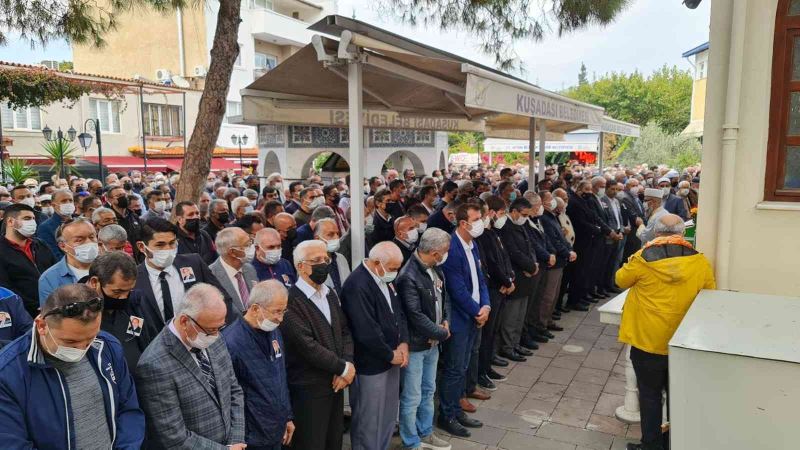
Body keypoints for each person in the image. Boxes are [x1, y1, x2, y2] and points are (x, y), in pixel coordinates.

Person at [0, 283, 145, 449]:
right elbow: (12, 444)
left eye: (90, 338)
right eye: (71, 341)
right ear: (42, 326)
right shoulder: (8, 373)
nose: (82, 349)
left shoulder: (106, 346)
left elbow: (128, 409)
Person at [616, 214, 716, 450]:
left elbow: (621, 279)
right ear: (682, 233)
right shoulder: (699, 261)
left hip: (647, 340)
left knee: (649, 396)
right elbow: (711, 292)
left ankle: (651, 445)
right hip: (682, 341)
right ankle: (674, 442)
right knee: (677, 397)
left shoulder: (643, 258)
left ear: (657, 233)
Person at [136, 283, 246, 450]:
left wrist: (235, 440)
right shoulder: (154, 365)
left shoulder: (212, 335)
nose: (216, 335)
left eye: (220, 328)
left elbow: (234, 390)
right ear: (184, 321)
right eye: (210, 330)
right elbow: (174, 438)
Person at [280, 240, 354, 450]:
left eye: (326, 259)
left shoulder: (330, 293)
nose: (324, 264)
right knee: (311, 442)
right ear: (300, 266)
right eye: (316, 260)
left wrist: (347, 364)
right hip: (309, 389)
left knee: (334, 441)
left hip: (336, 383)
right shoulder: (291, 301)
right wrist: (344, 368)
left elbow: (344, 331)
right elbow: (307, 346)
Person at [341, 242, 409, 450]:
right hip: (371, 364)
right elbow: (366, 330)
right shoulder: (357, 284)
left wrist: (404, 342)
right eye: (393, 269)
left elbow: (398, 312)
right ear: (377, 263)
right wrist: (389, 354)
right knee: (368, 420)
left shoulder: (384, 277)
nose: (395, 273)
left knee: (387, 414)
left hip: (392, 358)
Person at [396, 228, 453, 450]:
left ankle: (425, 431)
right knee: (412, 395)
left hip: (433, 343)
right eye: (445, 251)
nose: (446, 254)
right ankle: (410, 440)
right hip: (417, 345)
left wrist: (446, 321)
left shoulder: (435, 269)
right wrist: (441, 333)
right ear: (435, 252)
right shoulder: (408, 276)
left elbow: (444, 299)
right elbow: (415, 316)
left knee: (429, 390)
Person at [438, 203, 490, 437]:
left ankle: (457, 409)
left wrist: (486, 306)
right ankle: (447, 415)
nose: (481, 222)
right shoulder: (452, 249)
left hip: (475, 315)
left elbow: (480, 279)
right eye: (477, 218)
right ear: (463, 223)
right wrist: (477, 312)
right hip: (461, 318)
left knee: (464, 366)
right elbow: (457, 290)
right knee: (454, 369)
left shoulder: (473, 244)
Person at [223, 280, 294, 450]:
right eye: (276, 311)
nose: (281, 318)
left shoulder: (273, 330)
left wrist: (287, 416)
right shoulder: (230, 342)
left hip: (275, 430)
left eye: (284, 311)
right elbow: (229, 397)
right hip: (251, 437)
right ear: (255, 309)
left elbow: (280, 377)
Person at [133, 218, 233, 332]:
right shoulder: (134, 279)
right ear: (141, 247)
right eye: (160, 245)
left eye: (172, 243)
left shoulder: (194, 263)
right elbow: (135, 322)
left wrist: (222, 331)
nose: (168, 249)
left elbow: (223, 298)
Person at [86, 251, 157, 371]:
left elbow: (150, 341)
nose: (124, 298)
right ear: (94, 282)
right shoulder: (80, 314)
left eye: (128, 291)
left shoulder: (135, 303)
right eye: (117, 292)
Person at [474, 195, 515, 388]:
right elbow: (490, 264)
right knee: (486, 334)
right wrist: (504, 280)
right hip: (492, 289)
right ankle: (481, 371)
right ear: (490, 213)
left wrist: (510, 278)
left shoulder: (493, 233)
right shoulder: (481, 236)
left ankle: (487, 365)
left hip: (501, 287)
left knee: (493, 332)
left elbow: (503, 257)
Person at [497, 198, 538, 361]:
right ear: (514, 211)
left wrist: (533, 264)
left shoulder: (521, 224)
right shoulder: (506, 227)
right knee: (511, 316)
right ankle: (507, 347)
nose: (525, 218)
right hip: (517, 276)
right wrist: (530, 266)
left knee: (520, 314)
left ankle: (515, 343)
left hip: (527, 276)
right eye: (523, 214)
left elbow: (529, 246)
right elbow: (513, 253)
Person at [0, 204, 56, 316]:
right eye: (27, 218)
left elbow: (55, 271)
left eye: (33, 219)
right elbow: (6, 288)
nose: (32, 222)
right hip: (23, 313)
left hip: (54, 307)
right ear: (10, 221)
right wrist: (35, 306)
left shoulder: (40, 244)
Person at [38, 218, 99, 304]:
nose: (89, 242)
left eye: (92, 237)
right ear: (63, 246)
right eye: (79, 240)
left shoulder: (110, 267)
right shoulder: (49, 278)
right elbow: (51, 315)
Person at [210, 227, 259, 315]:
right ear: (232, 252)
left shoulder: (250, 269)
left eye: (251, 242)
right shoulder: (211, 275)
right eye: (247, 245)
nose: (252, 247)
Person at [314, 218, 350, 297]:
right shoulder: (311, 263)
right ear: (317, 239)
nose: (336, 238)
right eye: (330, 234)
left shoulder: (341, 258)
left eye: (337, 233)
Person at [106, 186, 143, 261]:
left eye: (124, 195)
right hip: (119, 259)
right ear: (110, 200)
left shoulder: (133, 216)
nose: (123, 197)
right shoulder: (108, 218)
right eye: (119, 196)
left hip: (138, 258)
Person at [35, 189, 75, 258]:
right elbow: (52, 256)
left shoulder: (80, 222)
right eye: (64, 201)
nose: (68, 203)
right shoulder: (45, 228)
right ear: (53, 205)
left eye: (70, 200)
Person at [175, 201, 218, 265]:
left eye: (197, 213)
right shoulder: (173, 239)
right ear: (179, 219)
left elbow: (215, 257)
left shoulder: (204, 235)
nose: (195, 217)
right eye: (190, 214)